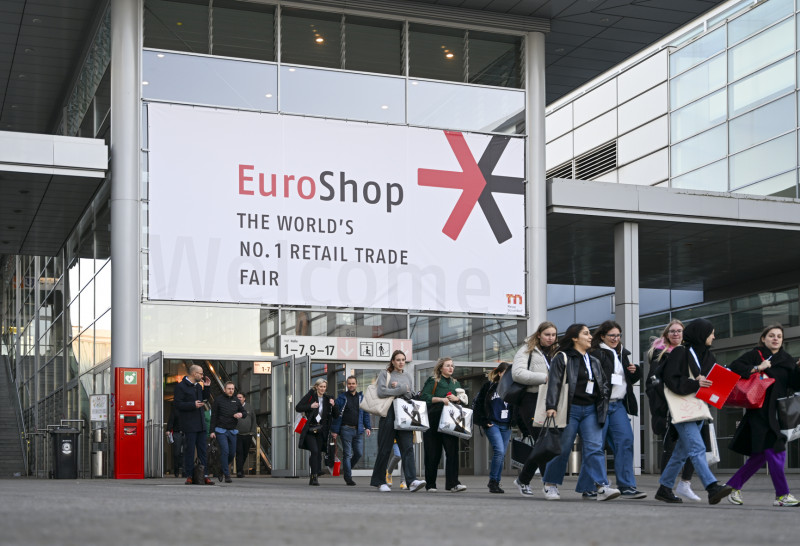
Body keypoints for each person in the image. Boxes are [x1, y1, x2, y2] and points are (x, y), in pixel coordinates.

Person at [536, 323, 620, 501]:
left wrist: (603, 402)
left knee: (595, 448)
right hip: (569, 409)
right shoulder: (562, 357)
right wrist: (551, 406)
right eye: (586, 334)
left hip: (591, 410)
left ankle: (602, 487)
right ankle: (550, 484)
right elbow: (554, 383)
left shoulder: (594, 360)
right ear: (574, 338)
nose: (590, 337)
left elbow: (603, 384)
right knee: (563, 448)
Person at [655, 318, 732, 505]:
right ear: (701, 334)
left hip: (698, 407)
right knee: (697, 448)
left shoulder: (708, 356)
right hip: (683, 409)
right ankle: (711, 487)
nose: (714, 337)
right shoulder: (680, 352)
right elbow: (671, 380)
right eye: (711, 333)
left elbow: (708, 382)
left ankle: (664, 489)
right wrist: (695, 383)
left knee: (681, 453)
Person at [726, 324, 800, 507]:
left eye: (779, 336)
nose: (775, 339)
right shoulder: (755, 354)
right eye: (772, 335)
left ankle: (733, 486)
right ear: (763, 338)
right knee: (776, 449)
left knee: (761, 455)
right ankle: (782, 495)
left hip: (778, 412)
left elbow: (794, 384)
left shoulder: (787, 360)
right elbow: (735, 367)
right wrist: (758, 367)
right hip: (759, 411)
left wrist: (799, 369)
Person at [576, 321, 645, 499]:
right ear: (602, 336)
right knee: (595, 446)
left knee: (626, 441)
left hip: (618, 405)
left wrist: (635, 371)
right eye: (612, 335)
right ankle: (589, 487)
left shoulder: (622, 353)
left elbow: (625, 380)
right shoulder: (595, 353)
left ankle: (627, 486)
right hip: (600, 405)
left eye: (618, 335)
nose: (615, 339)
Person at [645, 320, 702, 501]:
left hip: (689, 404)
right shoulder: (660, 354)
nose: (676, 334)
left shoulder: (689, 353)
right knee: (670, 447)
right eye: (672, 331)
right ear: (666, 335)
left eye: (679, 331)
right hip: (669, 407)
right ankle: (665, 488)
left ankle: (685, 483)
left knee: (693, 446)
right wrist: (663, 404)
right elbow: (653, 382)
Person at [369, 350, 426, 492]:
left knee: (408, 448)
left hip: (405, 413)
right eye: (398, 360)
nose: (401, 362)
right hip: (389, 413)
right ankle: (379, 481)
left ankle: (412, 481)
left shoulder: (407, 376)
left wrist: (402, 389)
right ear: (393, 361)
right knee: (385, 449)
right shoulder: (385, 374)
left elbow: (410, 394)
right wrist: (401, 389)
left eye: (403, 360)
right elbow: (381, 392)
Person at [420, 357, 468, 492]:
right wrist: (441, 399)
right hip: (434, 419)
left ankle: (453, 484)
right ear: (441, 368)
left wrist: (457, 399)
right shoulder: (433, 381)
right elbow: (424, 397)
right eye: (448, 365)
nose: (451, 368)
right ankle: (431, 484)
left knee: (452, 453)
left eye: (452, 366)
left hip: (451, 421)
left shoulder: (455, 383)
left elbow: (463, 400)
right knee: (432, 453)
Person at [511, 322, 557, 438]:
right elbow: (517, 373)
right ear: (539, 335)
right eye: (547, 334)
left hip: (554, 399)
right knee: (541, 438)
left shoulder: (557, 352)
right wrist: (544, 378)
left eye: (553, 335)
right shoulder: (527, 349)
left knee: (554, 438)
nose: (551, 338)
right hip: (533, 399)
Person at [473, 362, 512, 493]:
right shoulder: (489, 386)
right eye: (505, 373)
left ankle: (496, 482)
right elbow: (479, 404)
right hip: (492, 423)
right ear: (499, 373)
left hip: (506, 425)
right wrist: (484, 421)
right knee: (499, 451)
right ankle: (493, 481)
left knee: (501, 454)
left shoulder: (513, 388)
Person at [173, 364, 213, 485]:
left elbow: (204, 399)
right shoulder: (181, 386)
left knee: (203, 451)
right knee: (189, 451)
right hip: (189, 424)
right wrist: (192, 405)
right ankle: (189, 475)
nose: (202, 375)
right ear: (194, 373)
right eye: (201, 373)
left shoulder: (198, 386)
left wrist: (207, 387)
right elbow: (177, 404)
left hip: (201, 424)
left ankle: (204, 475)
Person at [295, 378, 339, 486]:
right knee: (314, 451)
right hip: (310, 429)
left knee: (317, 452)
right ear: (316, 387)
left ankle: (313, 476)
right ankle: (314, 476)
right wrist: (310, 406)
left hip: (321, 431)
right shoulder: (311, 396)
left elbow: (336, 415)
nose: (323, 389)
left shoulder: (328, 398)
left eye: (324, 387)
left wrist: (334, 405)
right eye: (321, 386)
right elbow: (298, 407)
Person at [331, 375, 372, 486]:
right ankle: (348, 477)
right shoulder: (342, 397)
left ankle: (347, 468)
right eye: (349, 383)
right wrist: (335, 431)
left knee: (358, 453)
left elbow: (365, 413)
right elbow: (336, 415)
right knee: (347, 454)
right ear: (346, 385)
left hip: (358, 430)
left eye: (353, 383)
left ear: (356, 384)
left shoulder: (361, 398)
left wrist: (368, 427)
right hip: (346, 429)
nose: (351, 385)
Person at [209, 381, 246, 483]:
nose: (231, 391)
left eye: (232, 389)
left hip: (232, 431)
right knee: (225, 451)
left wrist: (241, 414)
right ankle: (227, 474)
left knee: (232, 453)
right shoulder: (218, 400)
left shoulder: (236, 400)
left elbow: (244, 412)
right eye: (229, 389)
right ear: (224, 389)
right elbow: (213, 416)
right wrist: (212, 431)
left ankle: (222, 468)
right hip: (221, 430)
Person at [234, 392, 255, 478]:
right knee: (239, 453)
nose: (239, 399)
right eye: (237, 397)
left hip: (248, 434)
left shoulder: (249, 407)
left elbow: (254, 420)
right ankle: (239, 471)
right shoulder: (234, 407)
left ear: (244, 398)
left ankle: (240, 468)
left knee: (245, 453)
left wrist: (252, 431)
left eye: (240, 397)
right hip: (237, 434)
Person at [166, 407, 184, 478]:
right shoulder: (175, 410)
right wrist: (168, 429)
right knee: (176, 453)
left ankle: (185, 472)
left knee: (186, 453)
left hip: (186, 433)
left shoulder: (188, 409)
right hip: (177, 433)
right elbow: (171, 420)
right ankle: (176, 472)